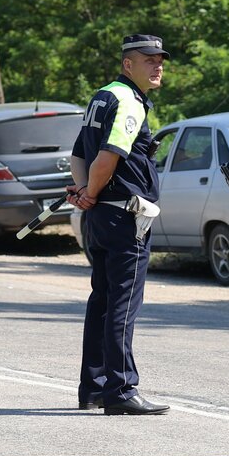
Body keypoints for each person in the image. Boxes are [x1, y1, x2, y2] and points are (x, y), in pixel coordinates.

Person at [67, 34, 171, 416]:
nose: (158, 66)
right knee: (123, 305)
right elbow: (107, 157)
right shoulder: (128, 101)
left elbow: (79, 152)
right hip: (125, 217)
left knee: (102, 301)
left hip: (100, 216)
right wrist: (91, 190)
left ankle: (92, 388)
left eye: (160, 60)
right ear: (128, 64)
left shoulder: (102, 95)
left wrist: (84, 191)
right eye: (149, 60)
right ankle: (121, 389)